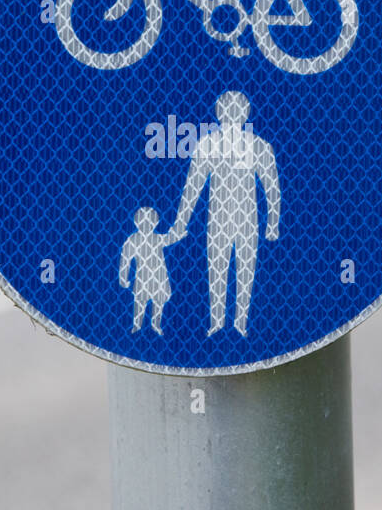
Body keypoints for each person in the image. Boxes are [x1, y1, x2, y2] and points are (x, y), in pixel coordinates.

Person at [166, 91, 280, 336]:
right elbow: (193, 186)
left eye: (237, 110)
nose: (231, 114)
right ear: (219, 114)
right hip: (217, 217)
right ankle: (216, 322)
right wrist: (180, 222)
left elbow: (272, 186)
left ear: (245, 114)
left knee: (246, 269)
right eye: (227, 110)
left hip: (248, 218)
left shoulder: (258, 145)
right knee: (216, 269)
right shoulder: (208, 144)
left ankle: (241, 323)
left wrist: (273, 223)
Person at [119, 206, 173, 335]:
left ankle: (156, 325)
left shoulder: (157, 238)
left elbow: (170, 239)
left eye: (150, 222)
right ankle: (137, 326)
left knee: (158, 302)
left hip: (159, 276)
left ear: (156, 223)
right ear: (136, 222)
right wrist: (123, 277)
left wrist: (177, 233)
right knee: (140, 301)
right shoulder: (133, 239)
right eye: (143, 221)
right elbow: (125, 259)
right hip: (143, 276)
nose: (146, 225)